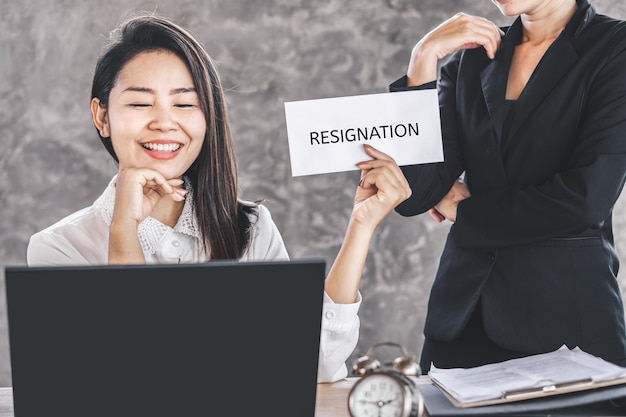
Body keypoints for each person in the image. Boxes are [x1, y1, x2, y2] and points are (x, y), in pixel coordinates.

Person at [26, 13, 412, 383]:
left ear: (208, 117)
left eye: (184, 103)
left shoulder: (251, 228)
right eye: (141, 103)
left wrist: (361, 226)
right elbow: (130, 375)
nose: (164, 121)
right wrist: (123, 230)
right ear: (103, 117)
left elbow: (316, 364)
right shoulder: (58, 250)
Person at [389, 0, 626, 374]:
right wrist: (423, 59)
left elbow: (584, 200)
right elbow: (415, 191)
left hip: (567, 326)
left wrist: (465, 211)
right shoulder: (471, 59)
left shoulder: (615, 49)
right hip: (461, 321)